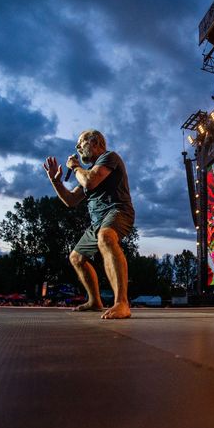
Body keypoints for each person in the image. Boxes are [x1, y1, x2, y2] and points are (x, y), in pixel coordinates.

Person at [44, 129, 135, 319]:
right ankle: (95, 301)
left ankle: (122, 303)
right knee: (76, 258)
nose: (77, 147)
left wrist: (75, 166)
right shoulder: (88, 172)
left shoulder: (109, 157)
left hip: (118, 212)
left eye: (80, 143)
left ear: (95, 143)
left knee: (106, 237)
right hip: (98, 222)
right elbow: (70, 200)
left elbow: (90, 181)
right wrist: (55, 181)